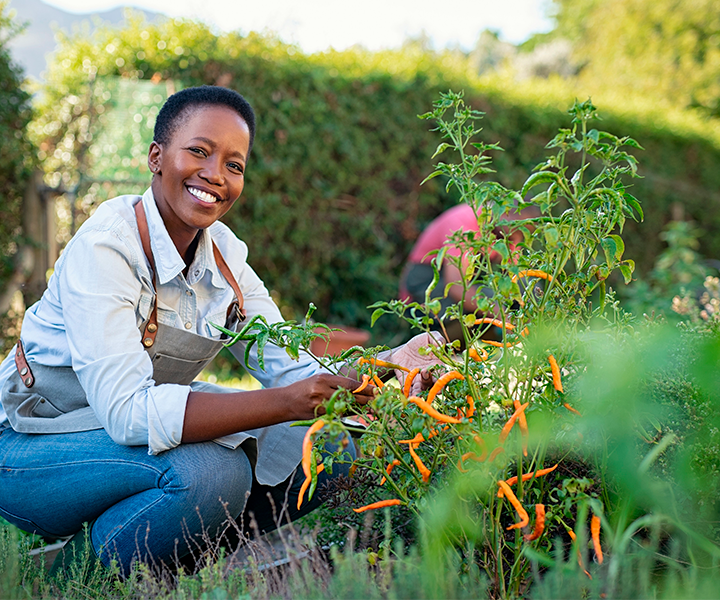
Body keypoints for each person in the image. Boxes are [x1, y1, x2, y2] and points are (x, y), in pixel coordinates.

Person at [0, 85, 437, 578]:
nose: (215, 175)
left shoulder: (224, 257)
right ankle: (69, 580)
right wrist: (288, 402)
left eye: (235, 165)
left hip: (113, 443)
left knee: (332, 447)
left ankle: (161, 559)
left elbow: (291, 362)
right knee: (213, 474)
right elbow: (125, 413)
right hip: (29, 445)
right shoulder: (107, 248)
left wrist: (384, 368)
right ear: (156, 157)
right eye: (200, 152)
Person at [399, 203, 537, 343]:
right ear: (504, 214)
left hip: (461, 283)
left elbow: (518, 276)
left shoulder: (507, 233)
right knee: (486, 305)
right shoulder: (464, 224)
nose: (518, 238)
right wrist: (501, 314)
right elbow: (456, 287)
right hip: (424, 287)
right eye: (518, 231)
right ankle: (433, 349)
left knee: (521, 291)